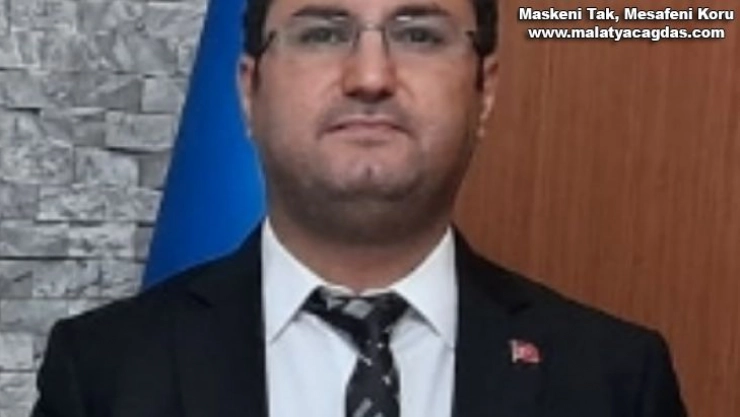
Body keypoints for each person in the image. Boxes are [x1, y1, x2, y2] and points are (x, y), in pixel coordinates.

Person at [32, 0, 688, 416]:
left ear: (484, 91)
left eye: (419, 34)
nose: (370, 77)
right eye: (323, 32)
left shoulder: (614, 381)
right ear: (250, 91)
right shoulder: (103, 373)